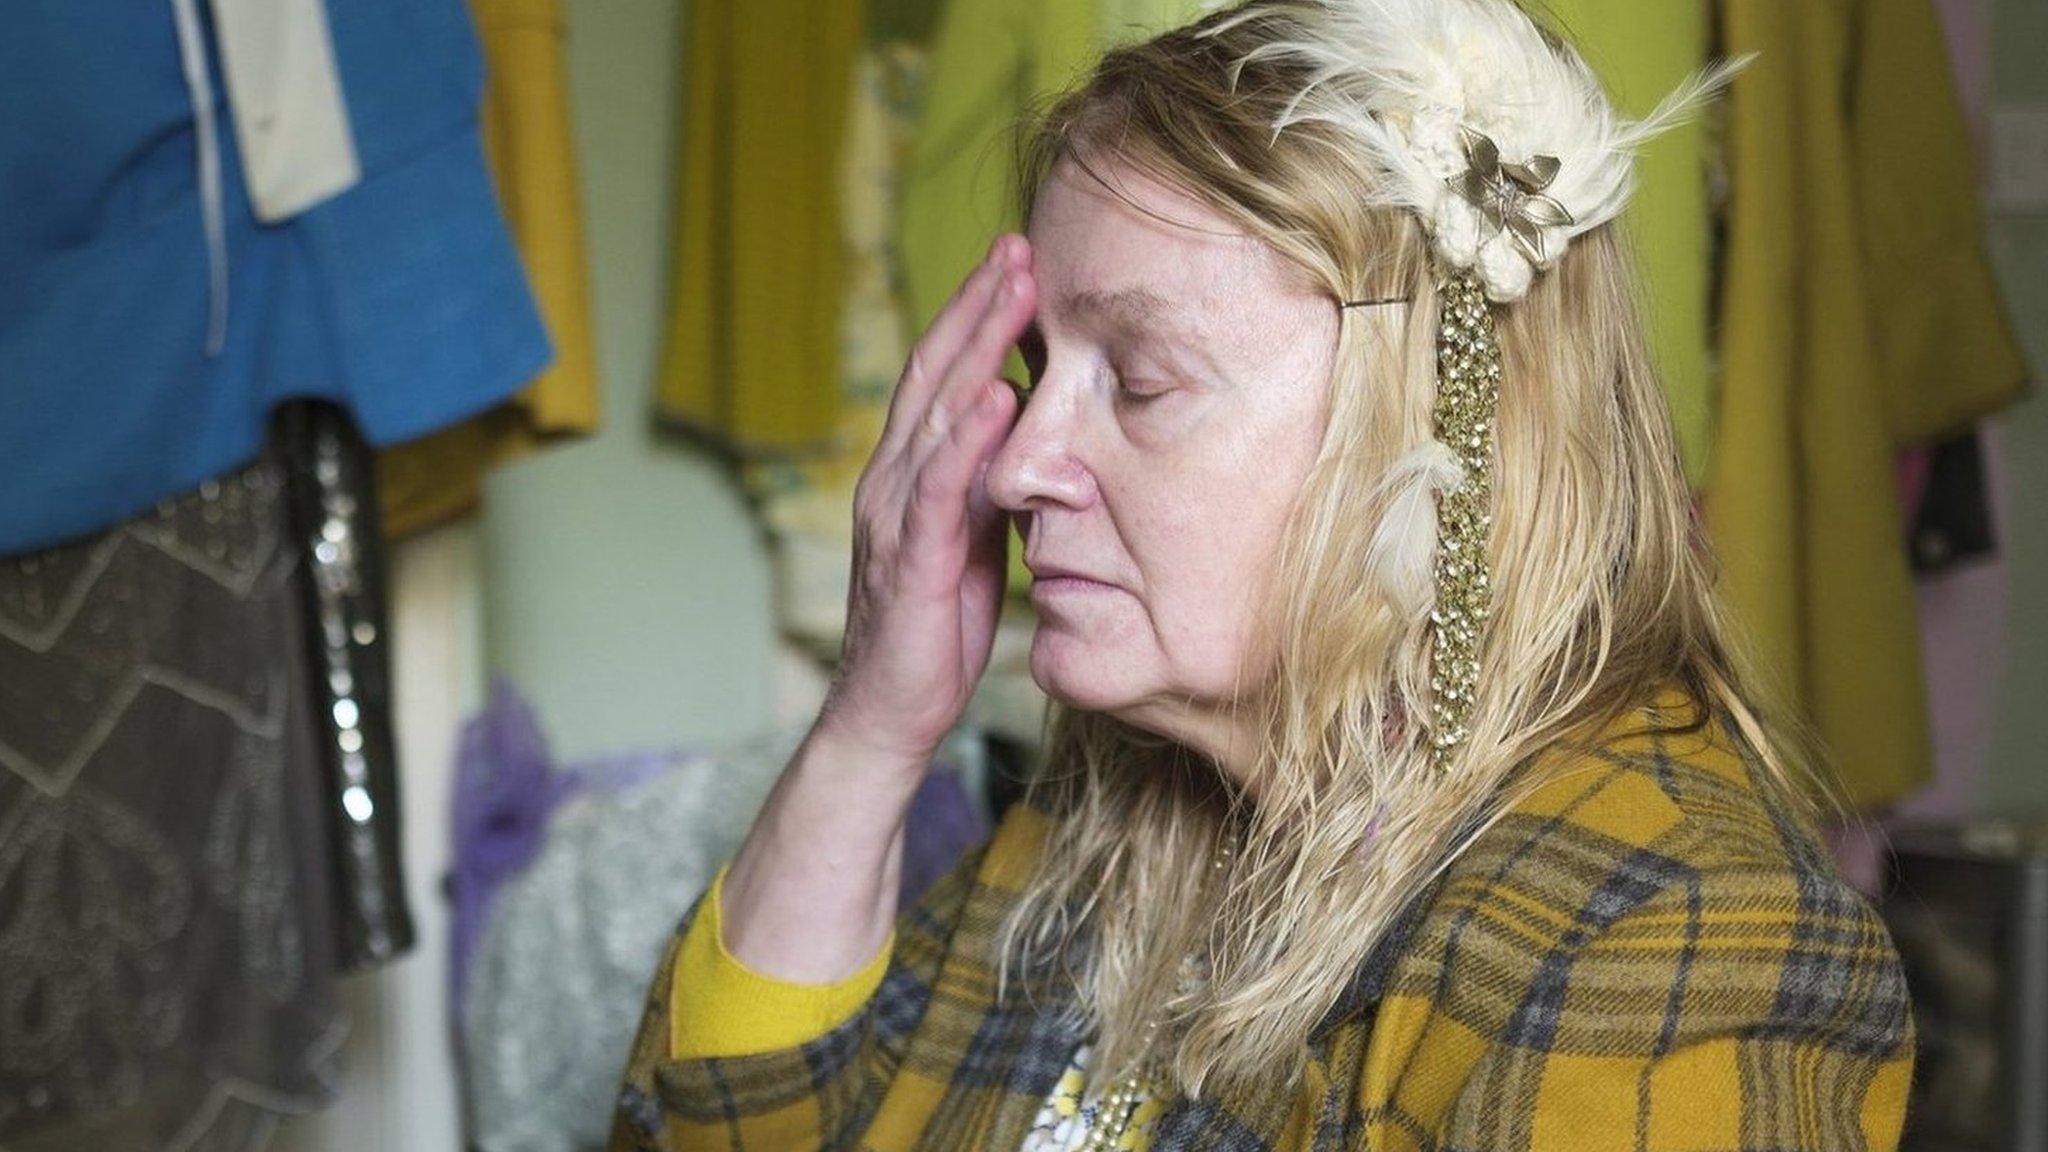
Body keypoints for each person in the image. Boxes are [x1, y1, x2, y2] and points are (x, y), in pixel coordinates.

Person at [608, 0, 1915, 1148]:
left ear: (1438, 422)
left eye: (1141, 381)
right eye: (1035, 373)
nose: (1016, 471)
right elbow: (727, 1131)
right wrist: (871, 730)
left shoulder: (1669, 946)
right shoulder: (1109, 812)